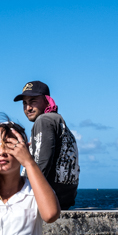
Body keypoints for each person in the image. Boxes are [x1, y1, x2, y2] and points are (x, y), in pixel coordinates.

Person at [14, 80, 79, 210]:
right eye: (25, 103)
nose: (28, 108)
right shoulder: (58, 121)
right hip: (63, 198)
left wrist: (22, 194)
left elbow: (41, 162)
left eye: (33, 101)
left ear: (47, 100)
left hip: (46, 198)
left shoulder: (44, 120)